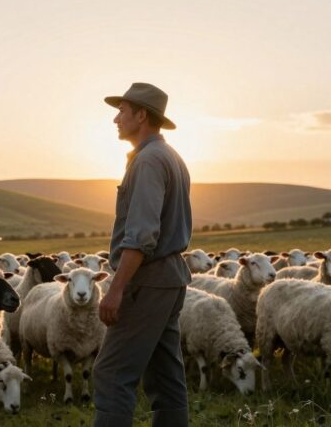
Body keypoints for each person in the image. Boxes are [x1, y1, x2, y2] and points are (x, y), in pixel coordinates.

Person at [92, 82, 193, 427]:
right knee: (165, 373)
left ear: (141, 115)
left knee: (112, 373)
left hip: (146, 282)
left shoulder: (149, 161)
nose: (116, 119)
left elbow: (141, 235)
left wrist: (117, 288)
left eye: (122, 111)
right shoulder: (170, 156)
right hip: (169, 279)